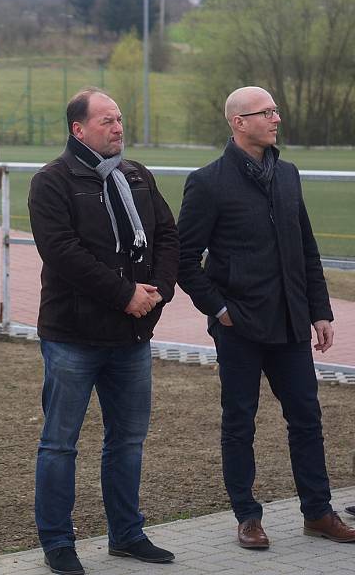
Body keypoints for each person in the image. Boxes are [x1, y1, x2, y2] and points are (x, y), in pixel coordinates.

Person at [177, 86, 355, 548]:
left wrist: (319, 310)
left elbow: (306, 248)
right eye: (267, 112)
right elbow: (184, 258)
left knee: (307, 417)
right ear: (239, 122)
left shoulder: (288, 174)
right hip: (240, 327)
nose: (277, 118)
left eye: (276, 110)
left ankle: (317, 511)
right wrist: (219, 309)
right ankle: (247, 516)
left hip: (292, 323)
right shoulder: (208, 182)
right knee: (240, 420)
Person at [28, 87, 179, 574]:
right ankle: (58, 543)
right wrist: (124, 294)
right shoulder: (52, 181)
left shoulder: (136, 175)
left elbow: (168, 234)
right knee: (59, 443)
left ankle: (127, 534)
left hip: (132, 337)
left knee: (128, 441)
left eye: (120, 119)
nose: (118, 128)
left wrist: (158, 292)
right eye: (107, 121)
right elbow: (63, 254)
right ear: (79, 130)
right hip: (72, 336)